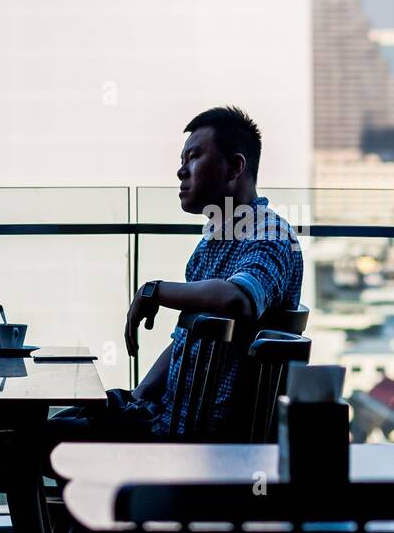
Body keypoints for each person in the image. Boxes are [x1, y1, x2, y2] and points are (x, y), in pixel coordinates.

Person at [48, 105, 303, 445]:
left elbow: (240, 299)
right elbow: (186, 343)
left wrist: (154, 291)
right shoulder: (213, 243)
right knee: (56, 420)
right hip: (164, 418)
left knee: (43, 438)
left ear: (235, 167)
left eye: (194, 157)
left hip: (195, 440)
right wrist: (138, 397)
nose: (181, 171)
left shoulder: (272, 235)